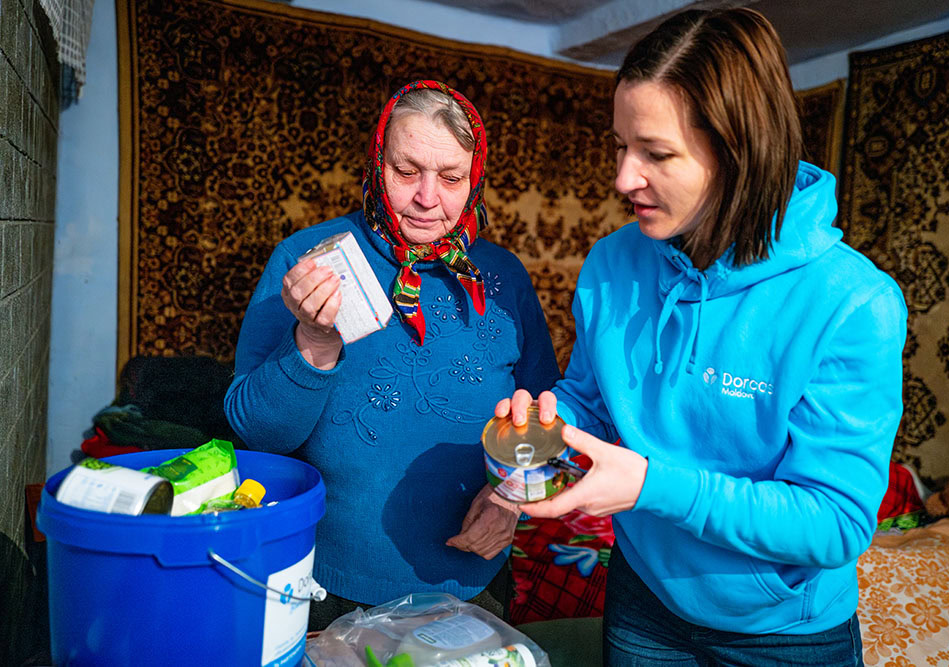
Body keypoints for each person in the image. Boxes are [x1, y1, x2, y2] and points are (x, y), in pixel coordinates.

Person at [497, 8, 906, 666]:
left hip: (784, 632)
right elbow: (593, 398)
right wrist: (545, 421)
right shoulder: (611, 264)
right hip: (642, 599)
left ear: (738, 151)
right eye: (620, 146)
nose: (623, 178)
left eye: (655, 153)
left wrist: (651, 486)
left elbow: (835, 521)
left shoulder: (855, 304)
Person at [225, 80, 560, 629]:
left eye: (451, 178)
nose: (428, 198)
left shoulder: (503, 279)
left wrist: (513, 496)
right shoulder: (311, 260)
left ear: (475, 180)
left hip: (472, 585)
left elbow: (550, 413)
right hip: (326, 587)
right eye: (407, 172)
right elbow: (258, 434)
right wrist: (313, 341)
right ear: (377, 162)